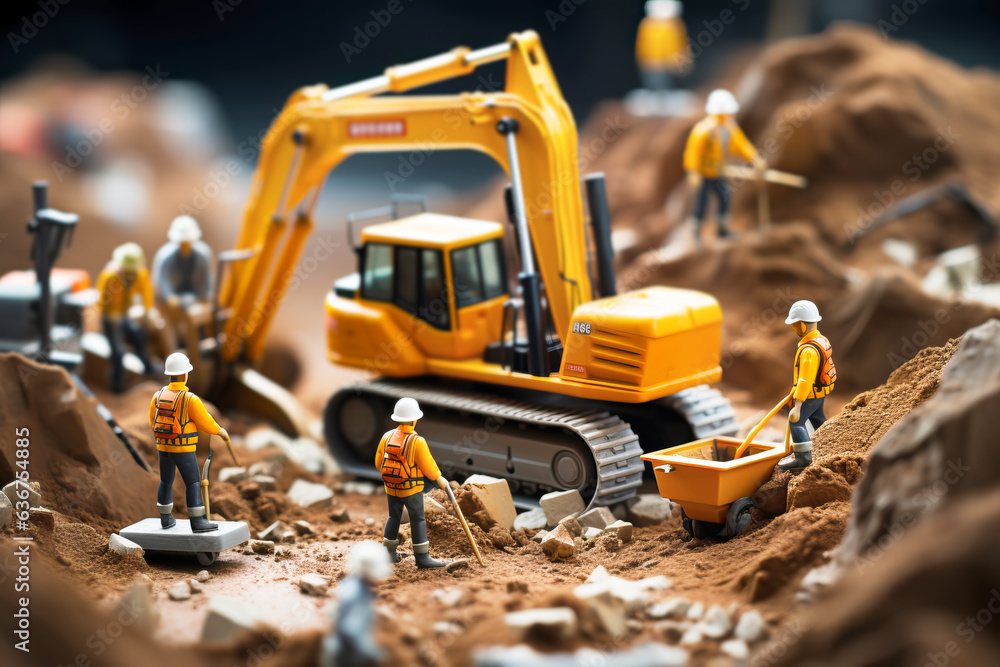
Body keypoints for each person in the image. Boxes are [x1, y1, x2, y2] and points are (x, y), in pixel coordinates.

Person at [148, 352, 232, 532]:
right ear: (185, 375)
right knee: (193, 483)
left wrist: (163, 438)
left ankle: (166, 518)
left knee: (166, 481)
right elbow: (205, 421)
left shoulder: (158, 395)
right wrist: (219, 431)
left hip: (164, 447)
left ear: (169, 374)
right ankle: (197, 522)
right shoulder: (189, 399)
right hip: (183, 449)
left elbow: (152, 419)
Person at [683, 89, 766, 244]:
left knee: (725, 198)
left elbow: (742, 146)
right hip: (704, 173)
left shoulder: (730, 129)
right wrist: (693, 171)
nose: (730, 115)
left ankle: (722, 229)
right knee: (702, 203)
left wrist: (755, 160)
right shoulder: (704, 130)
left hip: (719, 172)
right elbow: (693, 152)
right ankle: (696, 233)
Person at [376, 397, 449, 569]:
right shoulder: (417, 442)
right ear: (414, 420)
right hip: (411, 489)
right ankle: (422, 558)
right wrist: (439, 478)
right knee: (418, 520)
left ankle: (389, 553)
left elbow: (379, 463)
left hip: (391, 487)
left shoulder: (387, 437)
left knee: (393, 517)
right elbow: (429, 466)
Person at [779, 300, 836, 471]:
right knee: (818, 418)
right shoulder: (821, 340)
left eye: (795, 324)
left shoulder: (808, 351)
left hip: (810, 394)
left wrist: (797, 405)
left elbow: (805, 380)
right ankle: (830, 445)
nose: (793, 328)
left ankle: (803, 457)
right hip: (821, 392)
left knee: (795, 421)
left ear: (802, 325)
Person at [321, 541, 392, 667]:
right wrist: (373, 654)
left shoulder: (350, 584)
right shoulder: (356, 595)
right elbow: (351, 631)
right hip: (346, 656)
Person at [152, 215, 214, 357]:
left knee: (197, 322)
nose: (185, 245)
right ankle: (172, 353)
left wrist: (205, 296)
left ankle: (198, 351)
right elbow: (162, 280)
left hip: (192, 295)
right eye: (182, 242)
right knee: (167, 326)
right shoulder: (166, 256)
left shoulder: (202, 255)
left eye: (188, 242)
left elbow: (206, 278)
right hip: (170, 299)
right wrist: (169, 297)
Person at [96, 242, 156, 392]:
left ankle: (150, 369)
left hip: (126, 314)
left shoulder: (141, 275)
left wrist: (145, 314)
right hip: (110, 317)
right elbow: (101, 300)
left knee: (139, 339)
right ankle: (117, 385)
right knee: (117, 352)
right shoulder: (110, 275)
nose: (129, 275)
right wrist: (112, 317)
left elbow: (146, 295)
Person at [635, 1, 688, 92]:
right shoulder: (647, 25)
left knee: (670, 84)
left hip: (671, 64)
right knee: (654, 83)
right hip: (653, 64)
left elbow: (681, 43)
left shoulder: (676, 25)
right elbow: (644, 46)